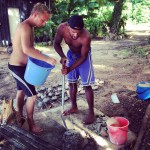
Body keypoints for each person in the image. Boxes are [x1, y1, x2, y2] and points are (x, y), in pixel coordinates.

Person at [8, 3, 57, 133]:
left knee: (21, 91)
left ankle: (19, 116)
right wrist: (46, 59)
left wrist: (37, 52)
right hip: (17, 67)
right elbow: (27, 49)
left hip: (23, 67)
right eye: (42, 20)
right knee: (32, 95)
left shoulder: (29, 26)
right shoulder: (25, 27)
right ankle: (31, 125)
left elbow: (28, 48)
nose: (44, 23)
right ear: (35, 14)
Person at [54, 15, 95, 124]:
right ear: (67, 26)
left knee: (87, 85)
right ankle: (74, 107)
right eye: (73, 31)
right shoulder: (62, 28)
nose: (76, 34)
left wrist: (69, 68)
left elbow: (83, 57)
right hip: (71, 55)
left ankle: (91, 112)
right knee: (72, 83)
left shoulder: (86, 37)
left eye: (79, 32)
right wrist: (62, 56)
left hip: (83, 58)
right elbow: (56, 43)